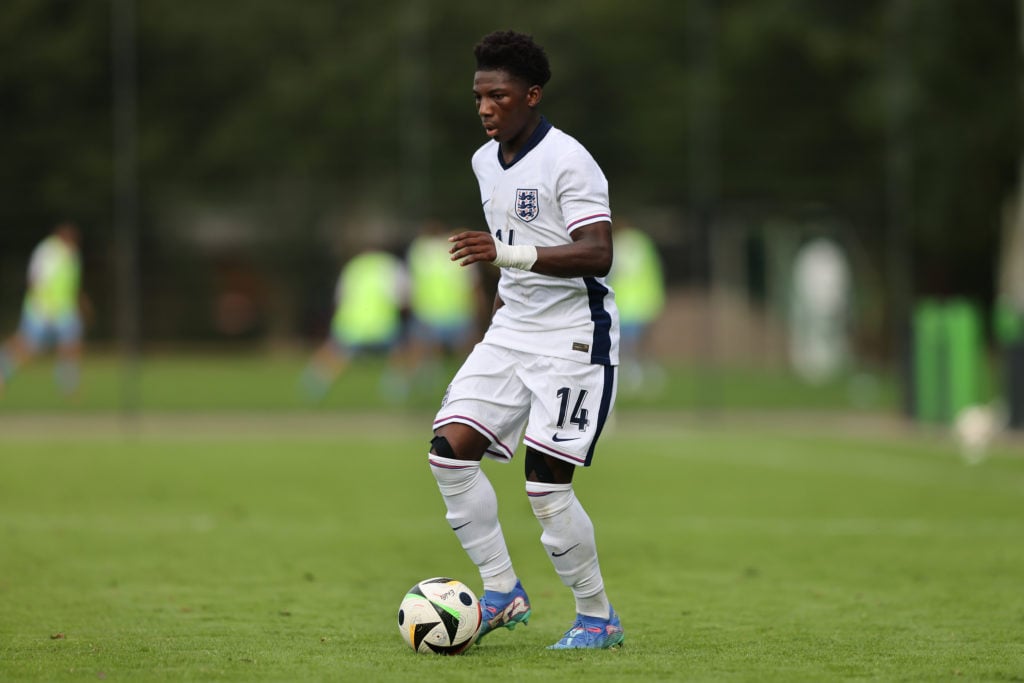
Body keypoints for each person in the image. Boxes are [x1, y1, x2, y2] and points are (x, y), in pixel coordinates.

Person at [428, 30, 624, 650]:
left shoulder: (570, 160)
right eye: (480, 97)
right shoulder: (484, 162)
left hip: (573, 337)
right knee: (447, 451)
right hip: (511, 331)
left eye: (500, 96)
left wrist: (507, 254)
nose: (486, 108)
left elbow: (599, 253)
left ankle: (596, 617)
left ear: (532, 96)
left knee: (545, 485)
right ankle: (501, 591)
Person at [300, 248, 408, 401]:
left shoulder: (354, 266)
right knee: (399, 354)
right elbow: (402, 298)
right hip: (382, 325)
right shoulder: (391, 266)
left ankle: (312, 387)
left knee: (334, 356)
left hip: (351, 324)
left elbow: (340, 297)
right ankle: (396, 391)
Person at [0, 222, 86, 397]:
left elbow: (71, 284)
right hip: (42, 308)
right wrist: (44, 308)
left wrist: (79, 303)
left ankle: (68, 384)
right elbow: (35, 281)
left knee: (71, 344)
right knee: (28, 345)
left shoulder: (73, 254)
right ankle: (2, 367)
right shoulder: (47, 252)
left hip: (64, 309)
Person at [404, 220, 482, 394]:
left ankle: (406, 390)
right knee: (470, 357)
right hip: (457, 311)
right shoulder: (460, 250)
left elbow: (412, 283)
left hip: (427, 312)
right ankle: (473, 387)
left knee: (422, 353)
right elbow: (472, 285)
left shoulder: (419, 250)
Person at [608, 223, 666, 394]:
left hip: (627, 301)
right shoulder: (643, 242)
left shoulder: (617, 244)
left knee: (627, 343)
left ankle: (634, 375)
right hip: (646, 300)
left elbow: (611, 272)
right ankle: (651, 373)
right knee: (643, 341)